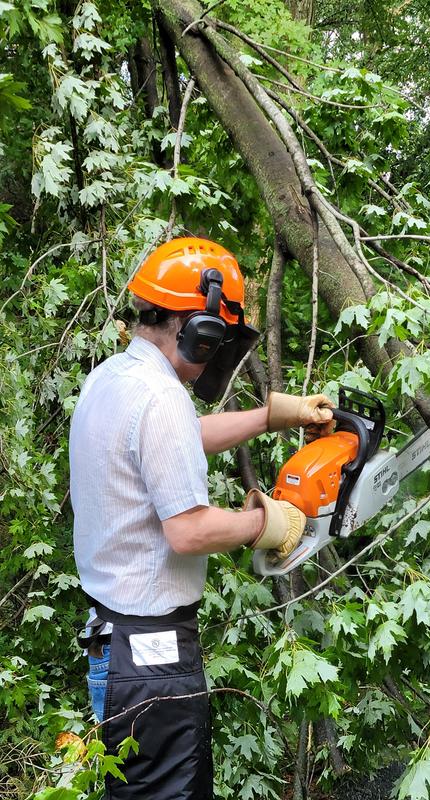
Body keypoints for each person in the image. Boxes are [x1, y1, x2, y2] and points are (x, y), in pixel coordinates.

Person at [69, 237, 334, 800]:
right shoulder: (160, 397)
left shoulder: (115, 377)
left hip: (118, 651)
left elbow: (175, 440)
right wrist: (268, 524)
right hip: (153, 665)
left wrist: (269, 417)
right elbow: (187, 530)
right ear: (201, 330)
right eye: (218, 339)